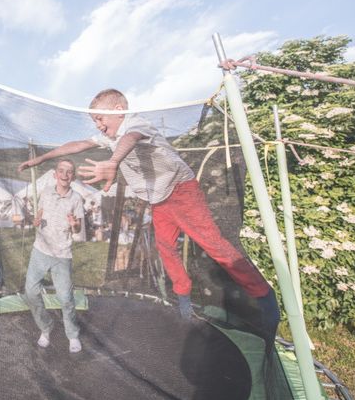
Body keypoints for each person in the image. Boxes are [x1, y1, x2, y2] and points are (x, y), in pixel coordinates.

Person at [19, 89, 279, 330]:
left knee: (213, 244)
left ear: (118, 110)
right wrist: (41, 159)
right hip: (160, 200)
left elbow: (131, 139)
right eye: (95, 121)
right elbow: (78, 145)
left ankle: (264, 297)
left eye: (100, 119)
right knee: (165, 247)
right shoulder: (110, 137)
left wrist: (113, 162)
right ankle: (184, 299)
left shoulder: (135, 125)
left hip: (181, 191)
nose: (98, 125)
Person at [20, 159, 84, 353]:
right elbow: (38, 217)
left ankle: (72, 335)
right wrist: (35, 220)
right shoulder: (46, 192)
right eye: (61, 170)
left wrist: (74, 224)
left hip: (62, 254)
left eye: (69, 171)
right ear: (55, 174)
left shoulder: (77, 199)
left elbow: (78, 228)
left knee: (65, 298)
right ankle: (46, 328)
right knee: (30, 292)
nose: (65, 174)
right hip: (40, 250)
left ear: (73, 176)